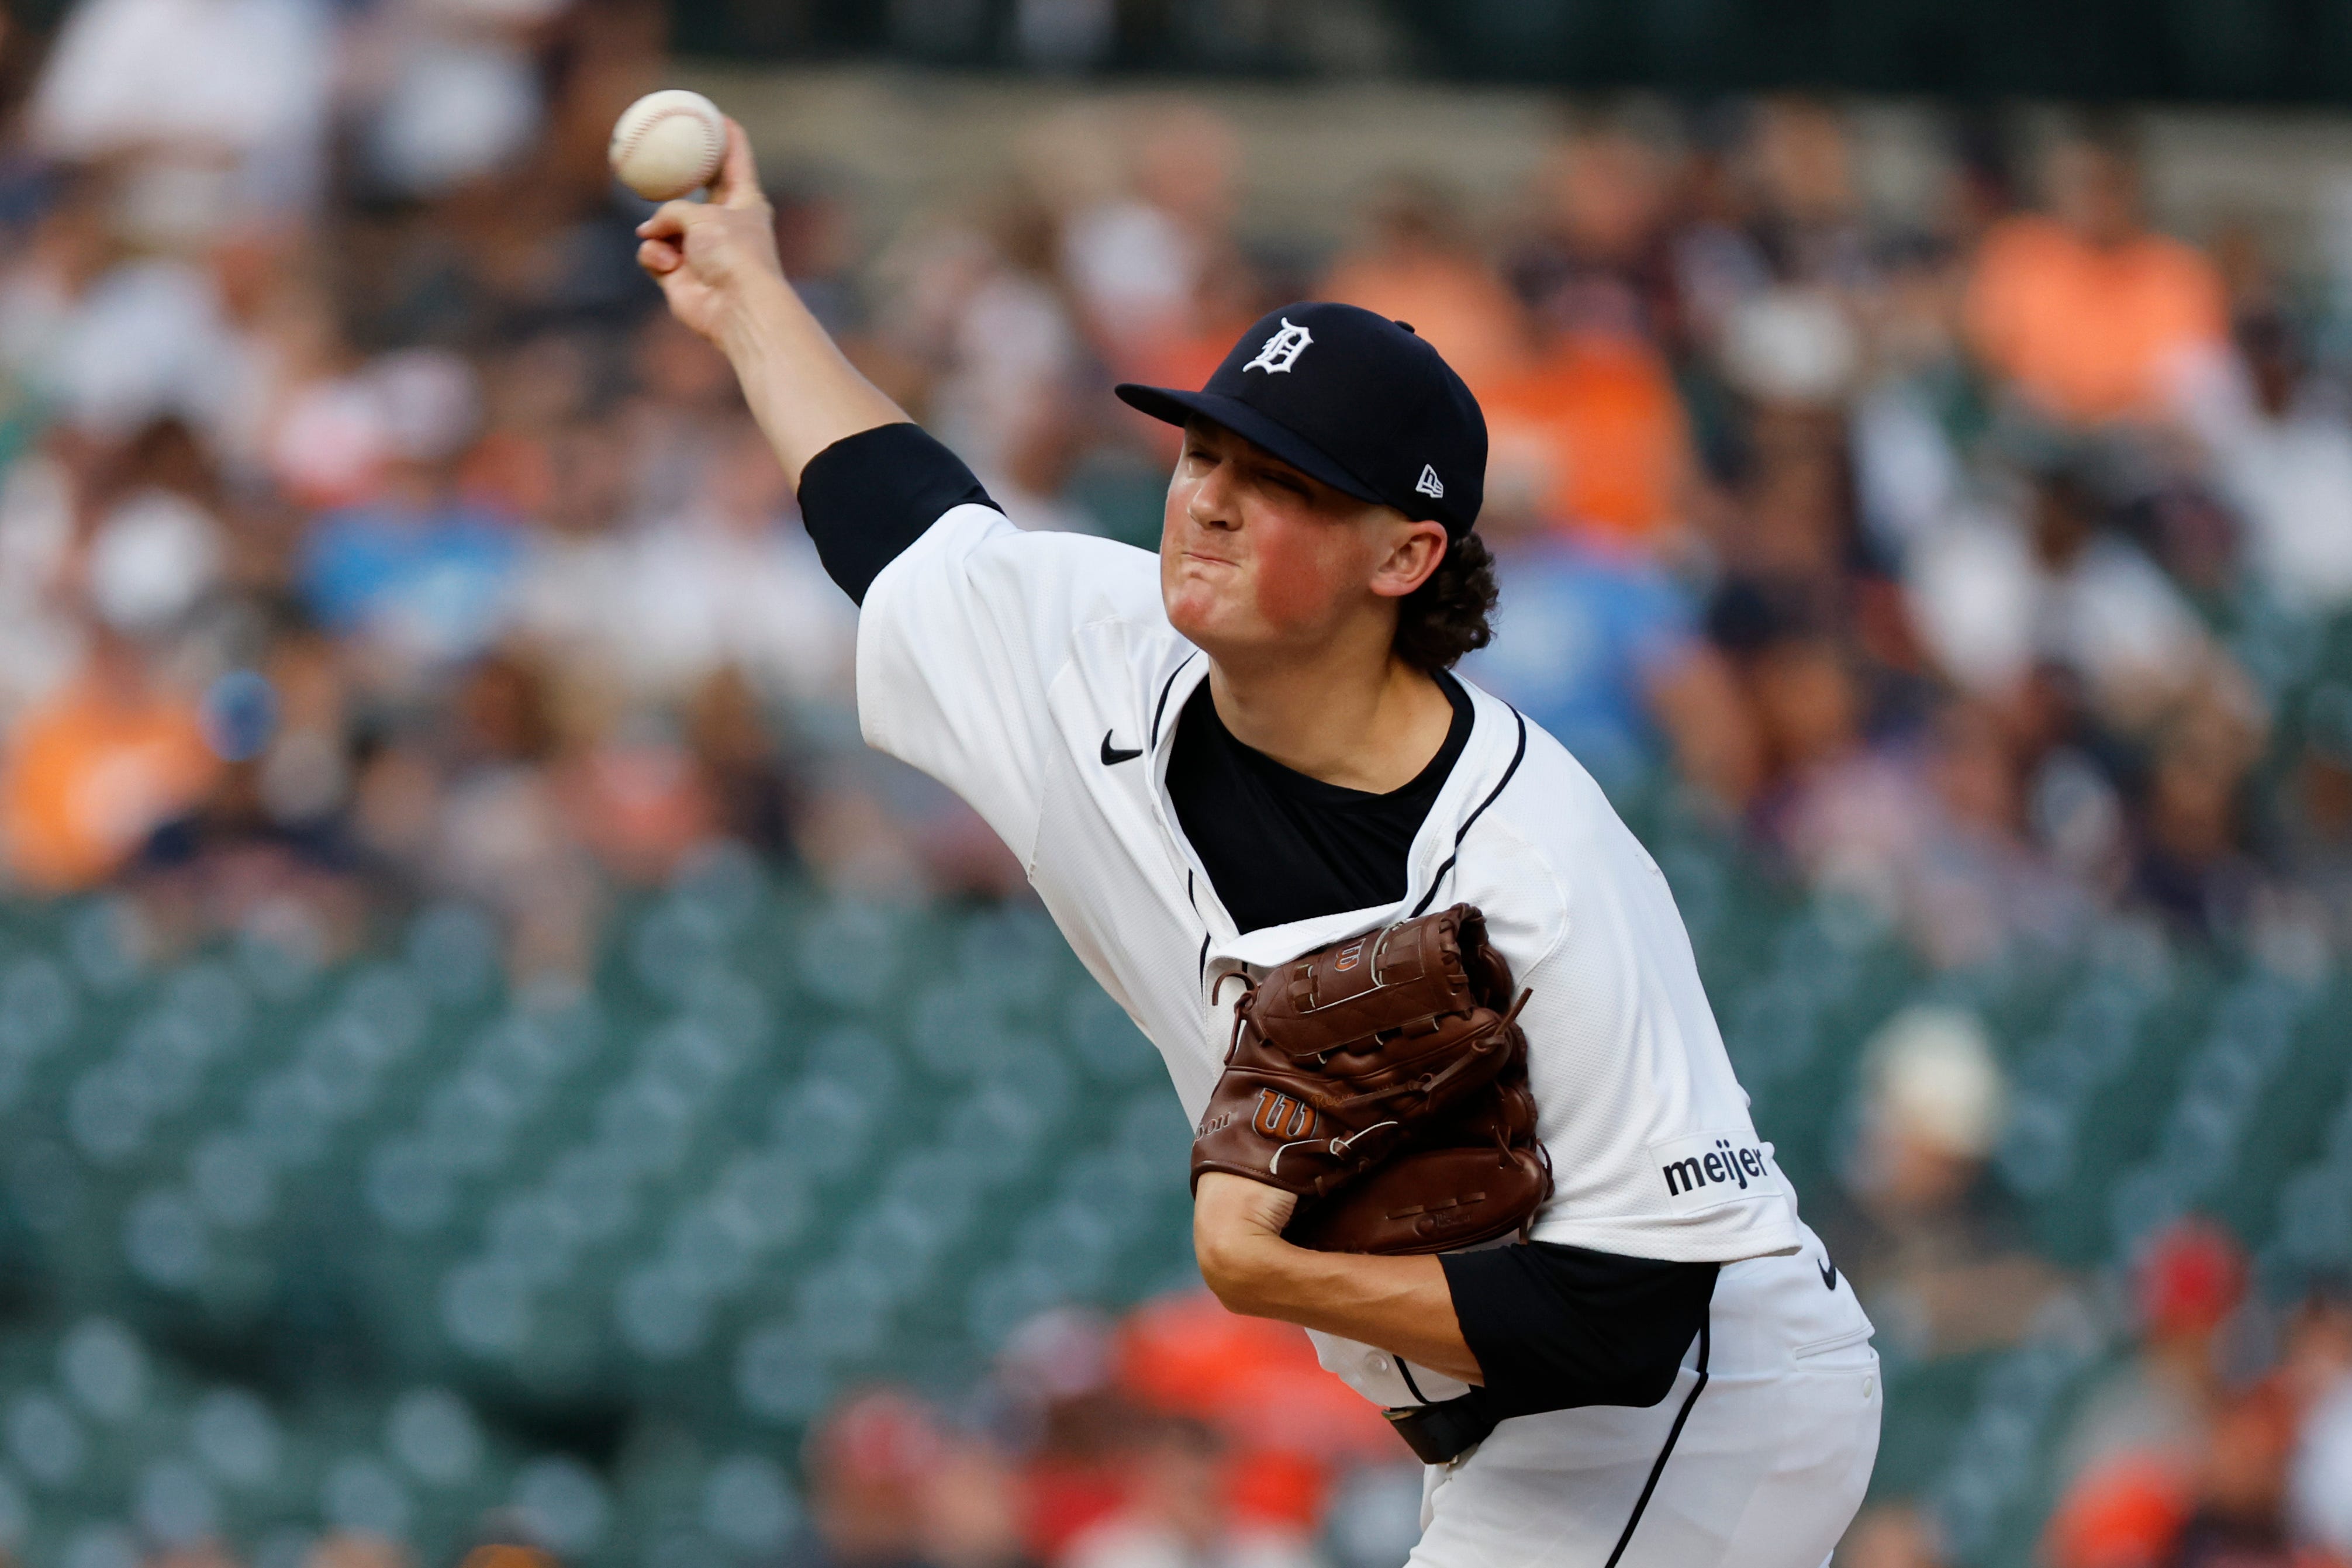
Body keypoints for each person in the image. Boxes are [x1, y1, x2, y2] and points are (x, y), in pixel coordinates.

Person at [637, 121, 1880, 1567]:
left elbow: (1627, 1318)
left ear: (1401, 557)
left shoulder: (1537, 865)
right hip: (1508, 1429)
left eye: (1279, 479)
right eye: (1202, 451)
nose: (1209, 497)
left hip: (1699, 1406)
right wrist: (743, 294)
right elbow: (892, 514)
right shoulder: (1093, 659)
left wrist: (1270, 1272)